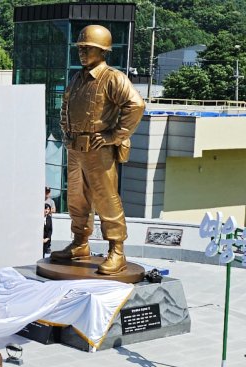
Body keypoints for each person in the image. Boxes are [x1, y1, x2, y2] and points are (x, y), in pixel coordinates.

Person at [52, 24, 145, 275]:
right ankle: (80, 242)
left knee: (106, 200)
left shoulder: (112, 78)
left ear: (103, 51)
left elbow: (136, 105)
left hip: (98, 150)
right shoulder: (77, 77)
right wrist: (66, 132)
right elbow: (65, 108)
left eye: (88, 48)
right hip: (75, 149)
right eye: (80, 48)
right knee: (76, 199)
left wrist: (115, 135)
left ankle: (117, 250)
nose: (82, 52)